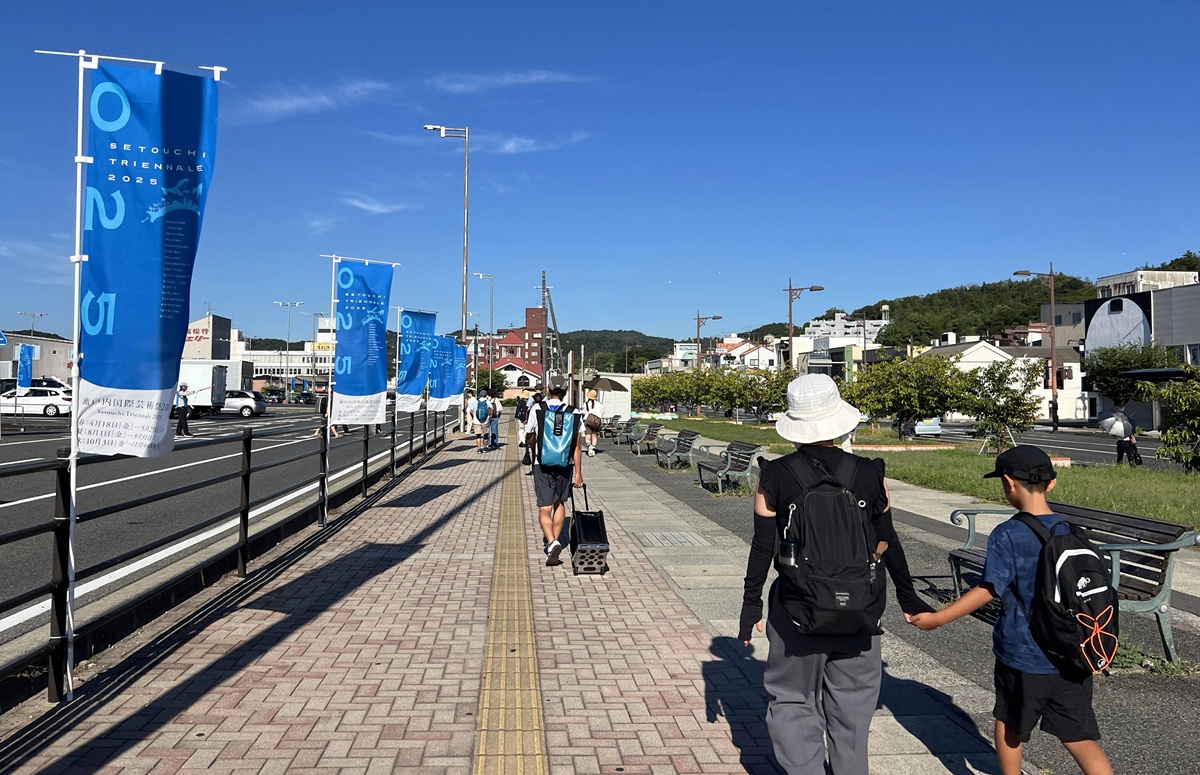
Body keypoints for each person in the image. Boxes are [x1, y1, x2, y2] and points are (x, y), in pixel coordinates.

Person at [739, 373, 929, 775]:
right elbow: (887, 537)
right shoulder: (869, 472)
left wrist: (750, 606)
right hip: (860, 609)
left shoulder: (773, 475)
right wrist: (909, 598)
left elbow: (762, 548)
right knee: (853, 707)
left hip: (795, 609)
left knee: (792, 699)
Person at [910, 446, 1112, 775]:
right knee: (1078, 736)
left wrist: (938, 617)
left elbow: (989, 589)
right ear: (1051, 484)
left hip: (1024, 656)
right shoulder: (1071, 531)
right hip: (1074, 652)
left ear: (1008, 483)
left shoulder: (1008, 533)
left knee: (1010, 724)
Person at [521, 382, 583, 565]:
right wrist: (578, 473)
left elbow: (529, 433)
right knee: (560, 503)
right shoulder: (575, 412)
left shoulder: (538, 409)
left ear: (548, 391)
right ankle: (555, 541)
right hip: (565, 464)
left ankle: (551, 541)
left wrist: (531, 442)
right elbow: (577, 447)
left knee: (544, 507)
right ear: (565, 392)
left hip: (542, 463)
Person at [581, 388, 605, 457]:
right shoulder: (599, 404)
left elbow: (584, 412)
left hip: (588, 421)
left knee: (587, 436)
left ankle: (589, 446)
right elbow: (602, 411)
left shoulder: (586, 403)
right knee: (594, 436)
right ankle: (593, 448)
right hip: (596, 422)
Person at [466, 389, 487, 454]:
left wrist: (474, 415)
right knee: (485, 435)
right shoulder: (487, 402)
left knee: (478, 435)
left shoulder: (476, 402)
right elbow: (491, 408)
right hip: (485, 421)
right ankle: (485, 448)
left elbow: (471, 410)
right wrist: (490, 415)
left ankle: (479, 449)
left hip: (477, 421)